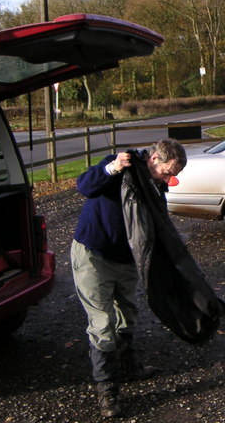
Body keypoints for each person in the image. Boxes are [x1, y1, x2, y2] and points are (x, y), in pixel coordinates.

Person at [70, 138, 187, 418]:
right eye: (167, 172)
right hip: (93, 252)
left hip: (126, 258)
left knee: (128, 314)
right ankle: (107, 390)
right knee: (102, 323)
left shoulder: (154, 184)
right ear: (154, 158)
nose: (168, 179)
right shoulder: (120, 165)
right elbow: (84, 186)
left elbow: (156, 221)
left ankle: (128, 366)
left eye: (174, 175)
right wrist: (111, 168)